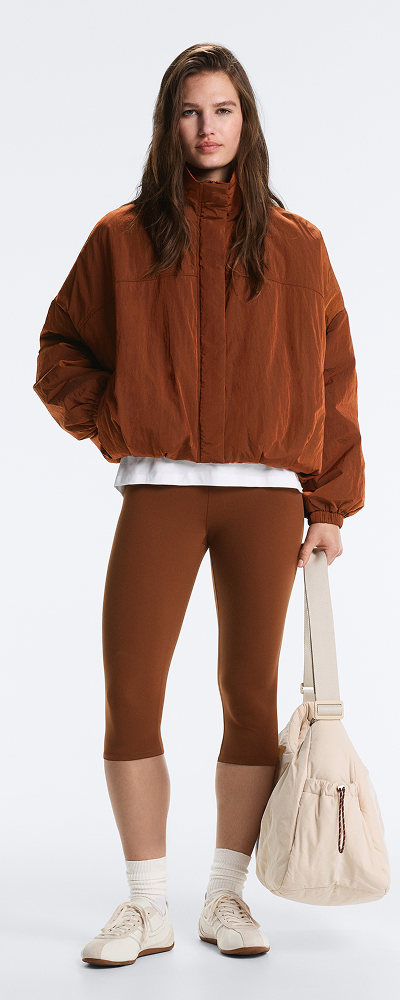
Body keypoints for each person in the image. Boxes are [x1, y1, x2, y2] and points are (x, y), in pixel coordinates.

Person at [33, 42, 364, 965]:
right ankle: (146, 905)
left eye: (222, 110)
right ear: (168, 124)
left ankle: (226, 897)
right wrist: (119, 421)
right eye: (190, 112)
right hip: (161, 491)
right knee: (132, 692)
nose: (206, 128)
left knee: (250, 699)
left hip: (266, 500)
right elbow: (59, 350)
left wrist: (329, 505)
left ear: (246, 121)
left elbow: (334, 378)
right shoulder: (122, 236)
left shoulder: (298, 245)